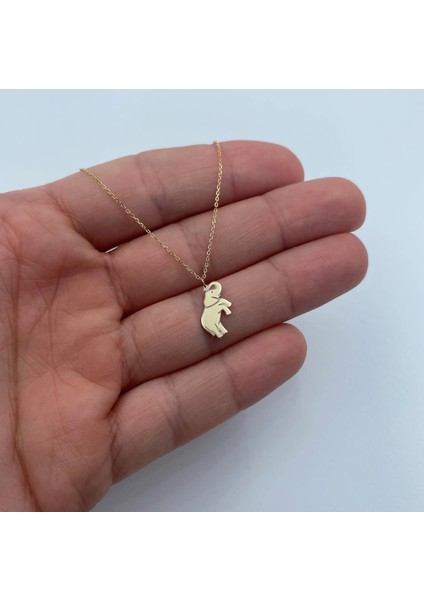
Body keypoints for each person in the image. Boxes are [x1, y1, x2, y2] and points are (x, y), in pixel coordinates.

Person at [0, 140, 367, 511]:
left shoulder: (212, 295)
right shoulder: (210, 300)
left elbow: (221, 304)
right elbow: (218, 306)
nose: (215, 292)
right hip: (208, 319)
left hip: (210, 316)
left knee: (220, 328)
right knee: (216, 327)